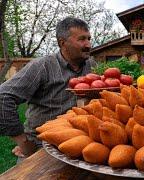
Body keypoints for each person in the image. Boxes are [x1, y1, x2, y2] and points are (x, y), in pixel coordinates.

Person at [0, 17, 97, 159]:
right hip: (42, 146)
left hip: (83, 142)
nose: (88, 44)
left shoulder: (92, 66)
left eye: (89, 38)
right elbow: (3, 97)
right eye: (82, 39)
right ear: (62, 43)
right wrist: (24, 143)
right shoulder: (42, 66)